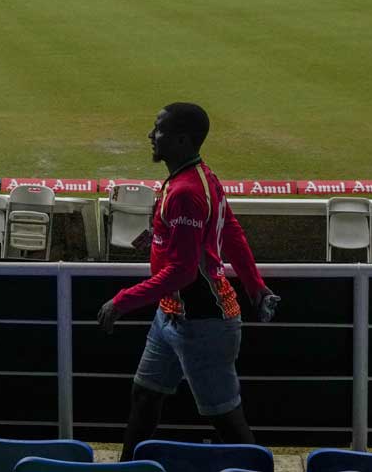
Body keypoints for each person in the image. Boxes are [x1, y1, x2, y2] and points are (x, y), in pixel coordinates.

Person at [97, 103, 277, 458]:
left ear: (181, 140)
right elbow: (231, 233)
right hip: (172, 316)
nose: (151, 136)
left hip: (202, 325)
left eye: (158, 130)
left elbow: (183, 272)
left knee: (226, 420)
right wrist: (255, 285)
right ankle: (127, 468)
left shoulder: (185, 192)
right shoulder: (198, 177)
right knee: (145, 395)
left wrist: (121, 301)